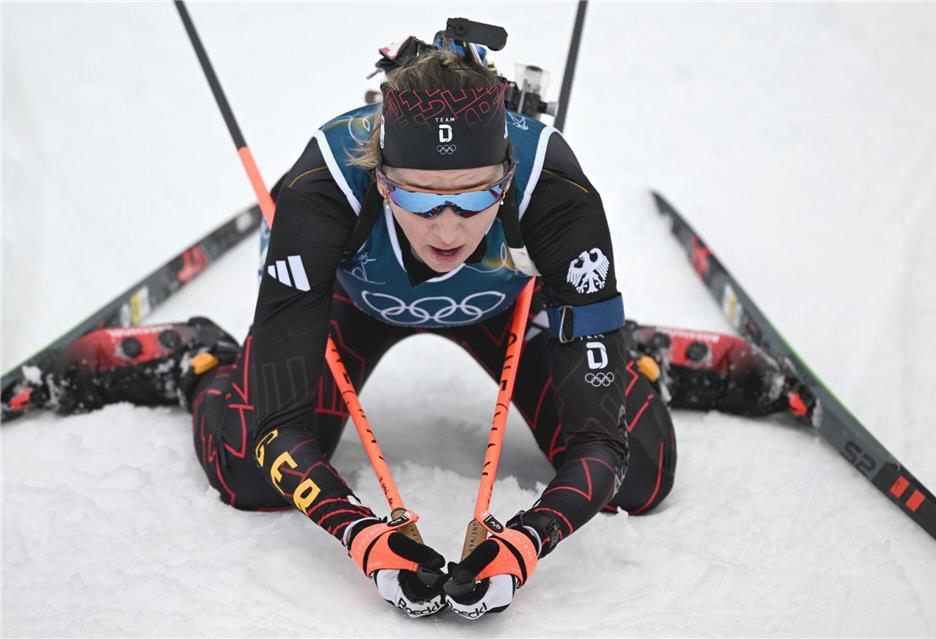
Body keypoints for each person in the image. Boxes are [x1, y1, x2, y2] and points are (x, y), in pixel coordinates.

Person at [1, 45, 815, 619]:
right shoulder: (323, 188)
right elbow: (282, 430)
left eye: (475, 195)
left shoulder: (555, 188)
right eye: (420, 197)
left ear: (507, 174)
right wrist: (362, 537)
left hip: (510, 308)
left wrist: (527, 541)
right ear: (380, 175)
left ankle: (617, 342)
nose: (450, 224)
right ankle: (201, 359)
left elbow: (603, 449)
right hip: (351, 306)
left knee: (645, 473)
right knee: (247, 471)